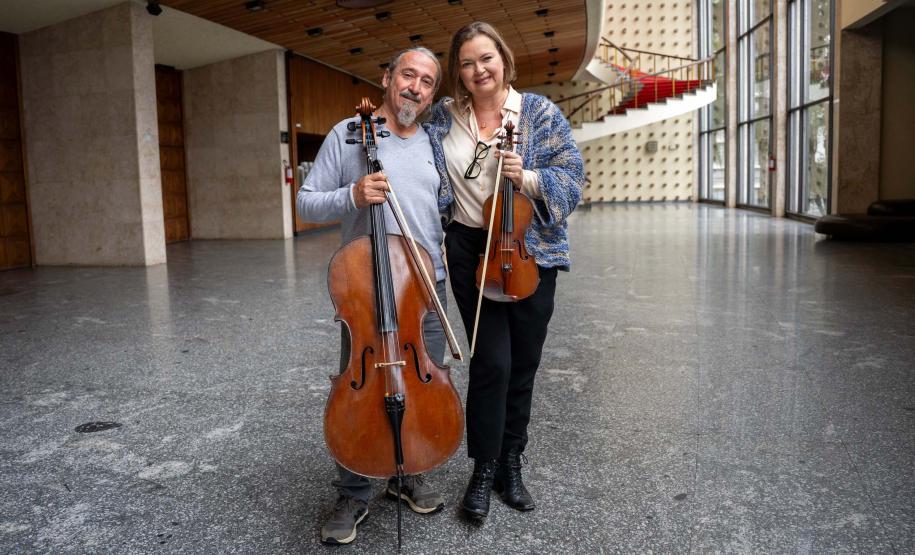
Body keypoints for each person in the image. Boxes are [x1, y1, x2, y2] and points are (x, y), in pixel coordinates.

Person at [425, 22, 585, 519]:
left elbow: (573, 178)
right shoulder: (442, 118)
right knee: (491, 362)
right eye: (467, 63)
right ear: (459, 71)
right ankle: (483, 468)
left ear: (503, 60)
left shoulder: (537, 112)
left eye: (486, 59)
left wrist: (531, 177)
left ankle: (512, 461)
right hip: (472, 249)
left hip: (529, 247)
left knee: (524, 364)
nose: (478, 70)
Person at [296, 46, 451, 545]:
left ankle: (407, 473)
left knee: (422, 382)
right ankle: (354, 489)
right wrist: (352, 195)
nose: (416, 87)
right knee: (361, 386)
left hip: (426, 286)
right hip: (367, 289)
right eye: (409, 75)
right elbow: (305, 202)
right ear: (387, 78)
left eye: (427, 82)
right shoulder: (348, 133)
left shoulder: (433, 140)